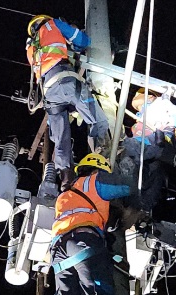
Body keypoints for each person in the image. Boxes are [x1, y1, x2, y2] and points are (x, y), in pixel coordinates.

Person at [25, 15, 110, 191]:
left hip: (50, 94)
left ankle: (66, 178)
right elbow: (83, 40)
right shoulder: (52, 24)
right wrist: (75, 44)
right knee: (95, 116)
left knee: (60, 139)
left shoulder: (31, 47)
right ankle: (104, 149)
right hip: (65, 81)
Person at [50, 153, 136, 295]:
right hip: (83, 242)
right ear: (96, 171)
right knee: (101, 290)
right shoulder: (93, 182)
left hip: (59, 250)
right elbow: (127, 186)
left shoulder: (64, 196)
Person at [117, 87, 176, 222]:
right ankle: (138, 210)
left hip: (152, 147)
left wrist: (166, 99)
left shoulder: (158, 107)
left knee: (128, 154)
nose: (142, 107)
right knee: (147, 181)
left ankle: (134, 207)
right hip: (153, 154)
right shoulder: (143, 117)